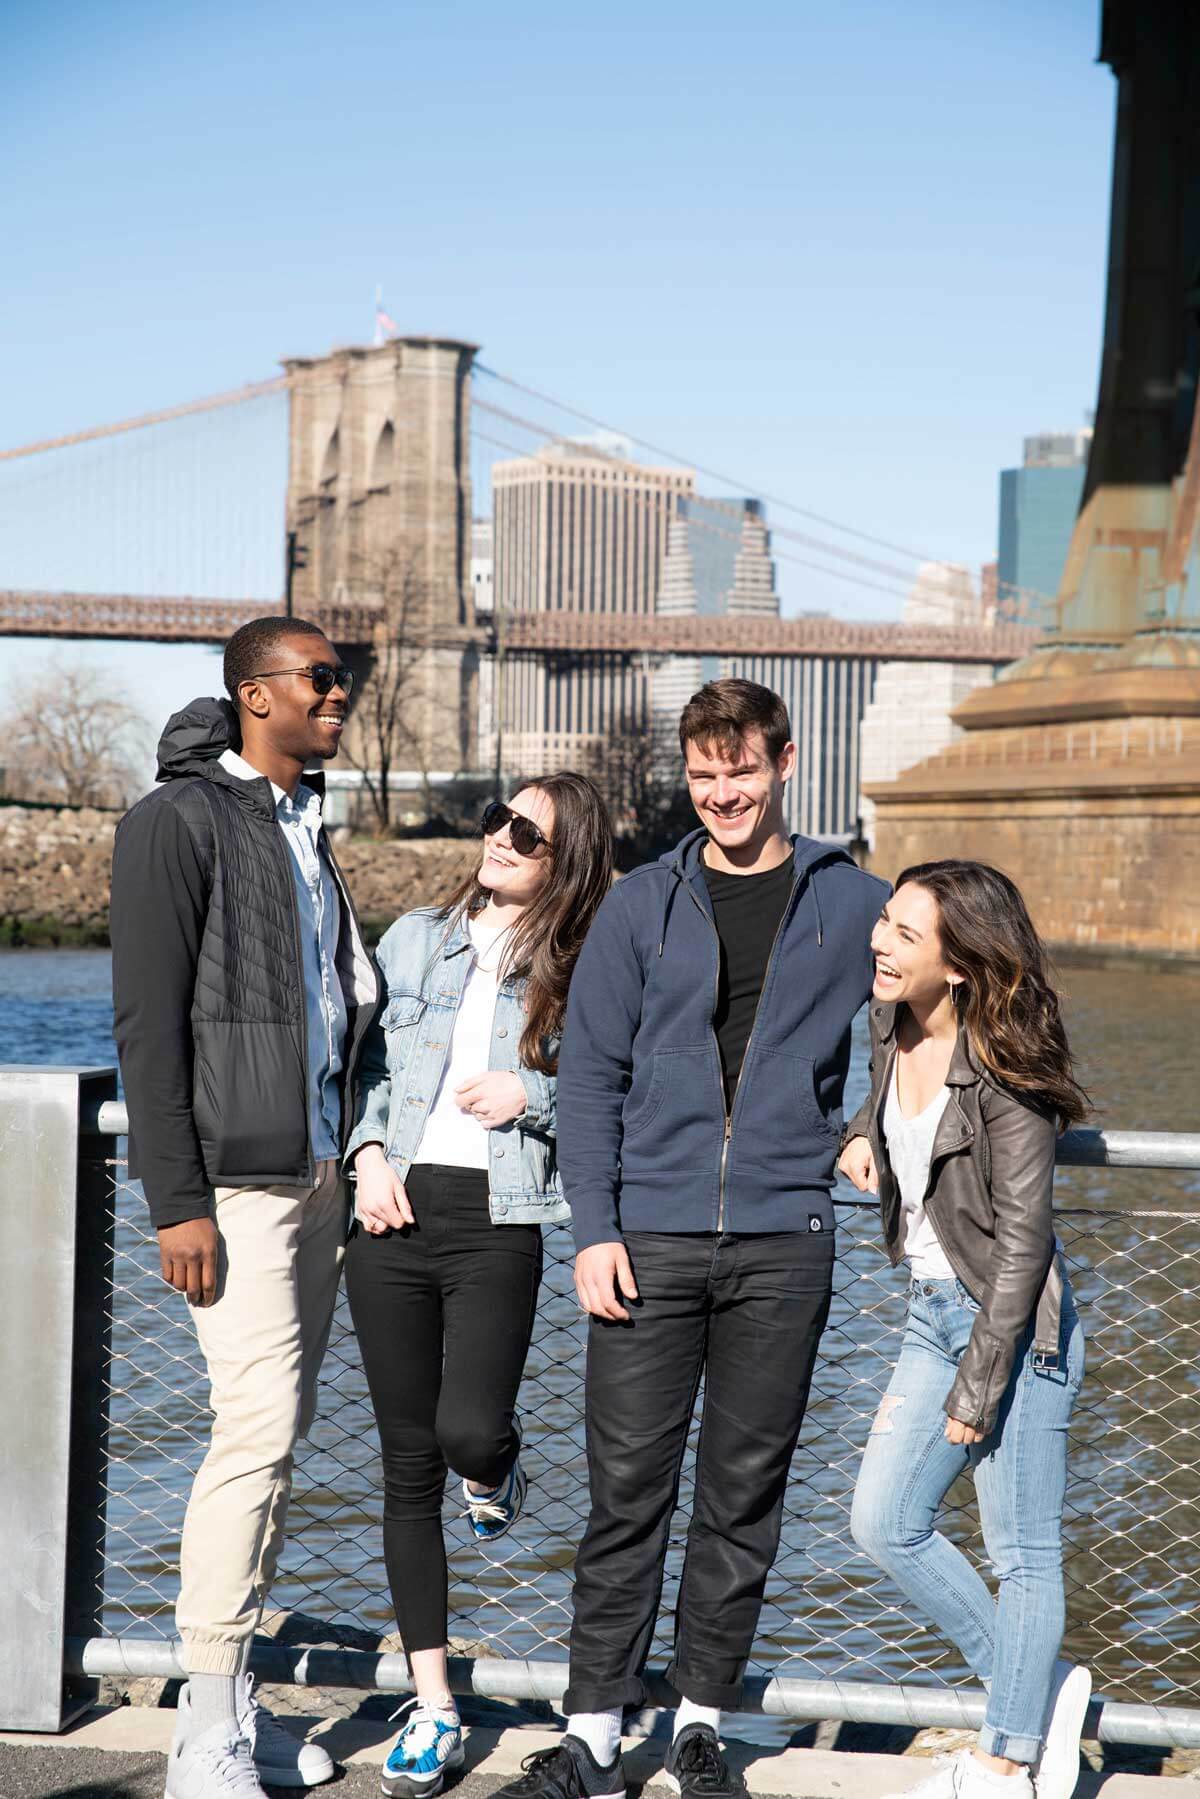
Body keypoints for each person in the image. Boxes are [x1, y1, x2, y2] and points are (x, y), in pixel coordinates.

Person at [495, 679, 890, 1799]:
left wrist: (869, 1125)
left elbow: (935, 1006)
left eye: (742, 771)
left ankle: (700, 1724)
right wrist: (594, 1228)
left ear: (785, 762)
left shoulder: (854, 898)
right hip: (648, 1240)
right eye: (704, 774)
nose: (722, 793)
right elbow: (588, 1083)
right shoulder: (639, 906)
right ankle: (594, 1738)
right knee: (627, 1492)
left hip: (784, 1240)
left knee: (743, 1490)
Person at [111, 616, 378, 1799]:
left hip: (316, 1177)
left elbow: (337, 1005)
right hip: (235, 1185)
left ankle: (236, 1696)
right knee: (254, 1434)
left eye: (341, 678)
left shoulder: (305, 822)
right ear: (253, 692)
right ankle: (202, 1729)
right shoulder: (176, 821)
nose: (339, 695)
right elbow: (146, 1024)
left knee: (276, 1442)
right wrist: (179, 1199)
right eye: (321, 679)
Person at [342, 773, 614, 1799]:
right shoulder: (416, 932)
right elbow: (360, 1065)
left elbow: (609, 1080)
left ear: (566, 856)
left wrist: (530, 1091)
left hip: (500, 1218)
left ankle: (495, 1472)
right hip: (391, 1210)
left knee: (466, 1432)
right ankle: (436, 1702)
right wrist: (367, 1155)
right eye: (499, 815)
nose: (501, 834)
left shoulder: (582, 959)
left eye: (528, 830)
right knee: (406, 1459)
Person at [840, 861, 1090, 1799]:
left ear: (959, 963)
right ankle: (1037, 1693)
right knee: (883, 1521)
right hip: (930, 1314)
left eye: (907, 933)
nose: (881, 941)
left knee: (1021, 1551)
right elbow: (868, 1099)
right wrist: (857, 1132)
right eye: (885, 924)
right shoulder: (887, 1022)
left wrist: (980, 1387)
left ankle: (1005, 1762)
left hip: (1014, 1332)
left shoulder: (1004, 1074)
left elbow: (1023, 1248)